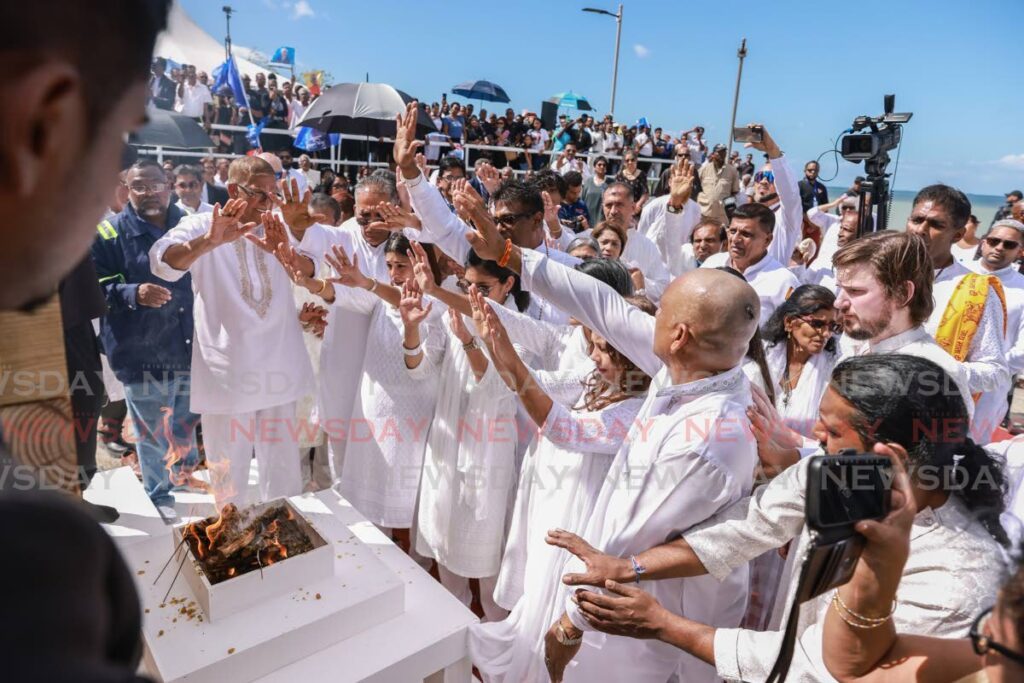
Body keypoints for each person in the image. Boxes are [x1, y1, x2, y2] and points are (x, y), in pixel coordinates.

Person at [553, 354, 1009, 683]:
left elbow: (818, 666)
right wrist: (629, 566)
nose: (813, 436)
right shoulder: (836, 474)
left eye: (831, 431)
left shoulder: (958, 574)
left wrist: (663, 624)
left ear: (889, 455)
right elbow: (748, 525)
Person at [463, 205, 762, 682]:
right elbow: (602, 306)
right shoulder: (690, 367)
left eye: (659, 311)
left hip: (647, 628)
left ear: (680, 334)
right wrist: (507, 254)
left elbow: (626, 547)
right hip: (621, 606)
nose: (643, 314)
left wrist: (569, 624)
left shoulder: (704, 438)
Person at [469, 289, 654, 682]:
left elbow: (568, 431)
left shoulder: (641, 409)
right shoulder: (596, 379)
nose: (593, 356)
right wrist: (494, 344)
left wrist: (508, 354)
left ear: (631, 354)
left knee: (566, 612)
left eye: (604, 349)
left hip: (593, 525)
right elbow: (541, 385)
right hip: (563, 504)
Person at [150, 157, 316, 507]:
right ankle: (230, 538)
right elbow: (162, 263)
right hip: (228, 371)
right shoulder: (201, 224)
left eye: (274, 194)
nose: (267, 203)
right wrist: (209, 242)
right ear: (232, 190)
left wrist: (295, 244)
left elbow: (317, 270)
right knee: (229, 471)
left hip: (280, 364)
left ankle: (285, 535)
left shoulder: (282, 226)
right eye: (259, 194)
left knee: (283, 469)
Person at [822, 467, 1022, 683]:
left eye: (990, 639)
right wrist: (878, 563)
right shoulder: (993, 657)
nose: (986, 633)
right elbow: (861, 670)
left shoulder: (953, 584)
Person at [91, 159, 200, 519]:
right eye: (139, 186)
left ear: (168, 184)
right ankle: (159, 495)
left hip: (189, 344)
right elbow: (93, 289)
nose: (148, 192)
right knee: (152, 432)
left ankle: (184, 480)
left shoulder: (190, 226)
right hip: (140, 350)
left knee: (185, 422)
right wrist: (133, 293)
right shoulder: (108, 234)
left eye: (155, 184)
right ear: (126, 189)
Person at [905, 184, 1009, 442]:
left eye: (936, 224)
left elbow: (994, 372)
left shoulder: (977, 291)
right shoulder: (879, 274)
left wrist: (937, 373)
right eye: (916, 220)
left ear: (958, 234)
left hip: (930, 431)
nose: (921, 230)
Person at [701, 203, 802, 323]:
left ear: (767, 240)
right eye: (732, 231)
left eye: (746, 234)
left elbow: (791, 330)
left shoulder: (783, 281)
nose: (735, 239)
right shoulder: (711, 264)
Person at [761, 285, 839, 437]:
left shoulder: (833, 370)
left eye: (832, 326)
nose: (826, 333)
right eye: (817, 324)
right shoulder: (763, 358)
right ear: (790, 322)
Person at [969, 219, 1024, 434]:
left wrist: (988, 371)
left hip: (990, 389)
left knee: (971, 452)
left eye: (1009, 245)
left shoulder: (1022, 289)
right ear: (983, 242)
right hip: (939, 379)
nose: (999, 247)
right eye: (994, 241)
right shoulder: (957, 274)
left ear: (1020, 252)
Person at [697, 144, 740, 223]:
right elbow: (696, 188)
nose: (722, 154)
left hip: (722, 215)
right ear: (713, 154)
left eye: (724, 152)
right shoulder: (703, 169)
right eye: (719, 152)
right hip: (704, 213)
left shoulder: (732, 171)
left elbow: (735, 191)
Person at [615, 151, 649, 217]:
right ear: (624, 163)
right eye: (627, 160)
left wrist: (638, 205)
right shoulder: (620, 175)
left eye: (632, 160)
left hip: (637, 209)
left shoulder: (641, 175)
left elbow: (645, 193)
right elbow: (616, 193)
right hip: (622, 208)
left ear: (636, 161)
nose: (630, 162)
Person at [581, 156, 611, 224]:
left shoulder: (611, 183)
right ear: (594, 167)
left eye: (604, 165)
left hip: (602, 220)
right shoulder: (588, 182)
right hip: (587, 220)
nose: (602, 166)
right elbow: (582, 200)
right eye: (599, 164)